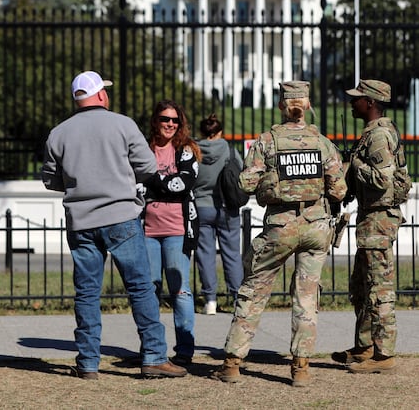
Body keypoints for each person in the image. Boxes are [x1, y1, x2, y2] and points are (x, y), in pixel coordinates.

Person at [41, 71, 187, 379]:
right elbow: (147, 168)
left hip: (81, 221)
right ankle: (153, 356)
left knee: (87, 292)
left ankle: (88, 362)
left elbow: (51, 180)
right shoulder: (123, 124)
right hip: (120, 216)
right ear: (101, 95)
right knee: (140, 288)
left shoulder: (59, 132)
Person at [212, 80, 347, 386]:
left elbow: (245, 185)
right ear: (307, 106)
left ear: (281, 106)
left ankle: (232, 362)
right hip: (316, 226)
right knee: (306, 296)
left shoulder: (267, 141)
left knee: (255, 290)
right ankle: (300, 367)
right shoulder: (322, 143)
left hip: (280, 226)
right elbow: (339, 189)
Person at [331, 79, 407, 374]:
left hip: (379, 219)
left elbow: (381, 180)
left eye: (357, 99)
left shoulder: (378, 137)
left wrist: (354, 164)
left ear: (371, 103)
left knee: (379, 287)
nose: (353, 103)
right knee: (361, 287)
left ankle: (384, 353)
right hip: (369, 218)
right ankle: (364, 347)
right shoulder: (371, 134)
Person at [143, 99, 201, 366]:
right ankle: (153, 350)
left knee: (180, 290)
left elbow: (183, 183)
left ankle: (185, 351)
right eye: (165, 119)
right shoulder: (143, 148)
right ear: (156, 120)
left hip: (178, 229)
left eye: (174, 120)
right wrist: (163, 184)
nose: (169, 124)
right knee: (149, 289)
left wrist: (153, 182)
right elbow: (133, 183)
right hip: (147, 231)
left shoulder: (186, 150)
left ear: (180, 123)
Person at [194, 113, 244, 315]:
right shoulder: (229, 150)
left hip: (201, 207)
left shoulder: (194, 151)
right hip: (227, 207)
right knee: (232, 254)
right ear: (220, 131)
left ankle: (210, 300)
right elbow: (241, 172)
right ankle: (236, 297)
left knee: (204, 255)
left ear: (202, 132)